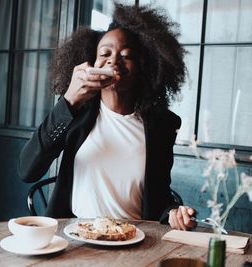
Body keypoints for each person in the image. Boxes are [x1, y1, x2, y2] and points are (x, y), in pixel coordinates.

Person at [18, 3, 197, 231]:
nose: (114, 60)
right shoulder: (75, 113)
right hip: (75, 236)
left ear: (144, 67)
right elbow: (27, 170)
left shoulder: (161, 125)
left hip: (135, 240)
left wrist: (174, 214)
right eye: (105, 54)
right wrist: (70, 99)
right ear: (91, 62)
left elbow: (159, 198)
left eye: (127, 55)